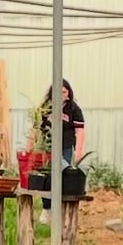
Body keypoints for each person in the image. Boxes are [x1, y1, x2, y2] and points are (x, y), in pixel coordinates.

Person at [29, 80, 85, 219]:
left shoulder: (73, 109)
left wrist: (78, 151)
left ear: (68, 93)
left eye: (64, 92)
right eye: (57, 92)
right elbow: (35, 129)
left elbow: (80, 131)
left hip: (65, 148)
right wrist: (30, 147)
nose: (61, 95)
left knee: (63, 177)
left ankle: (60, 212)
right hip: (47, 149)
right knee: (47, 178)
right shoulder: (44, 108)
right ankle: (47, 208)